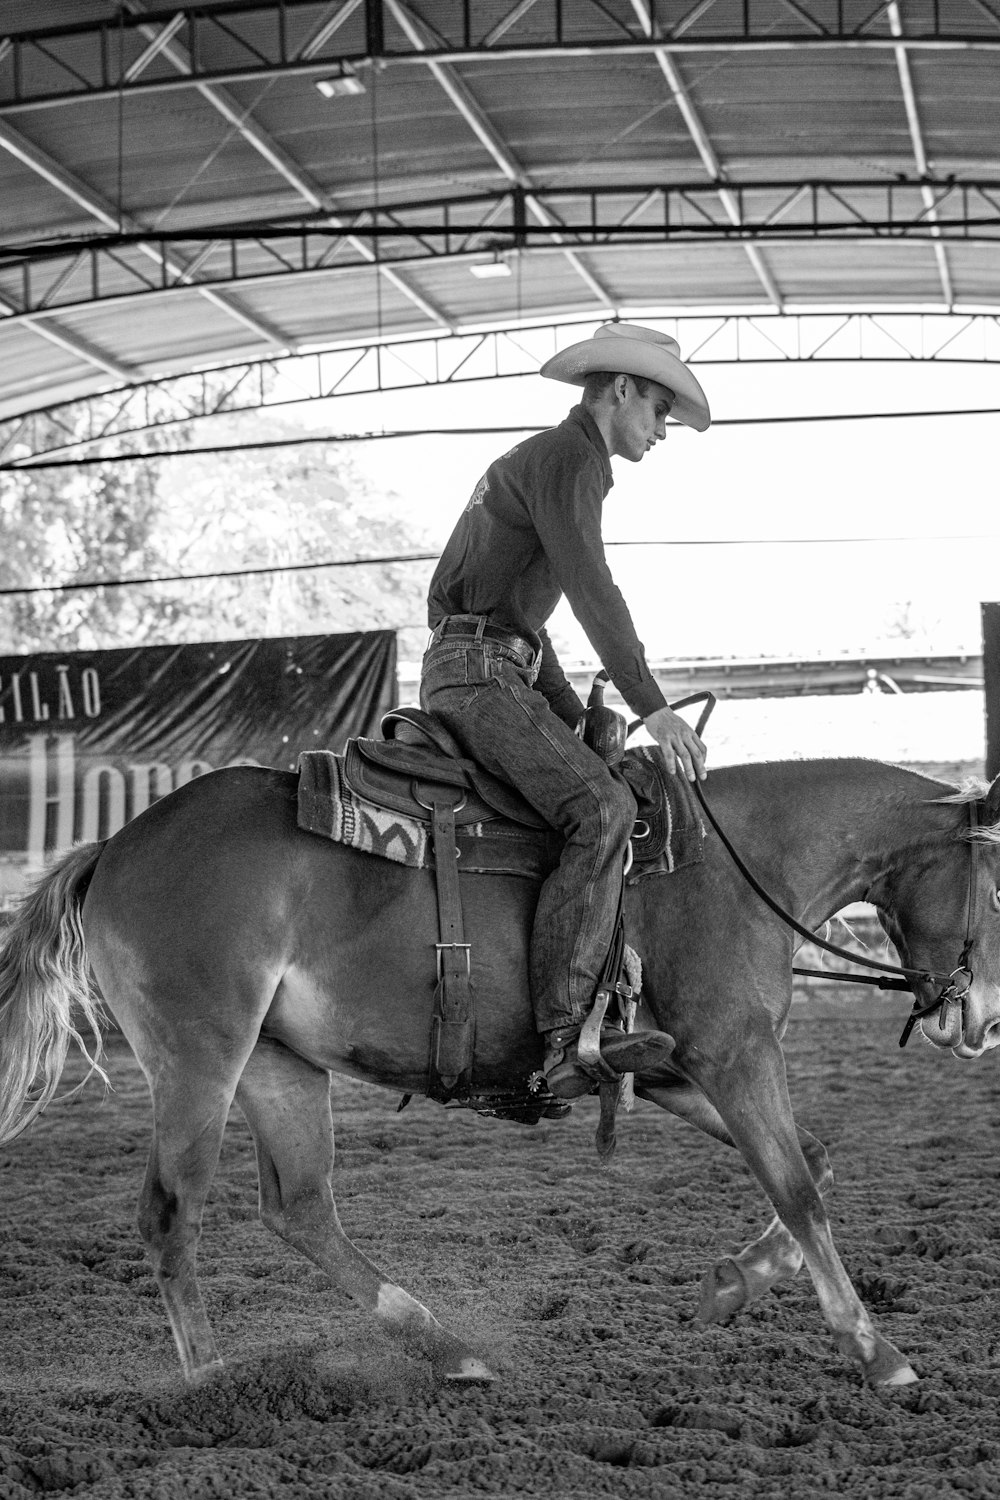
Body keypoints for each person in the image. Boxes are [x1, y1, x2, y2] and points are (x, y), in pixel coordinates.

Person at [419, 322, 711, 1098]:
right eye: (656, 410)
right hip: (480, 673)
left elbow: (521, 620)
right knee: (604, 809)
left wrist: (568, 711)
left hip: (481, 661)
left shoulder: (544, 461)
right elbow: (591, 589)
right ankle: (562, 1033)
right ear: (618, 390)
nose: (660, 431)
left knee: (591, 777)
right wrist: (654, 709)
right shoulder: (571, 459)